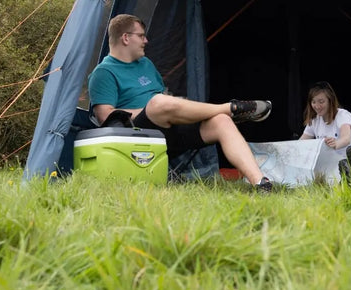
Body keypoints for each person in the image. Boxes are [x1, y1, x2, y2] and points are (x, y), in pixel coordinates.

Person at [88, 14, 275, 191]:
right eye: (141, 36)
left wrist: (173, 106)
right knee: (158, 102)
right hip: (137, 137)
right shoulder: (104, 73)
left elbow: (163, 95)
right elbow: (106, 116)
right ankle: (231, 108)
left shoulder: (146, 64)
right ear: (126, 38)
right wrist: (150, 109)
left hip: (170, 131)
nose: (146, 41)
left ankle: (260, 182)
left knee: (221, 121)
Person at [299, 81, 351, 166]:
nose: (317, 106)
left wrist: (336, 143)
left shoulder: (343, 115)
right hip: (329, 166)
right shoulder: (314, 120)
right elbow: (300, 143)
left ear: (330, 100)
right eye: (313, 102)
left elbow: (346, 139)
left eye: (321, 102)